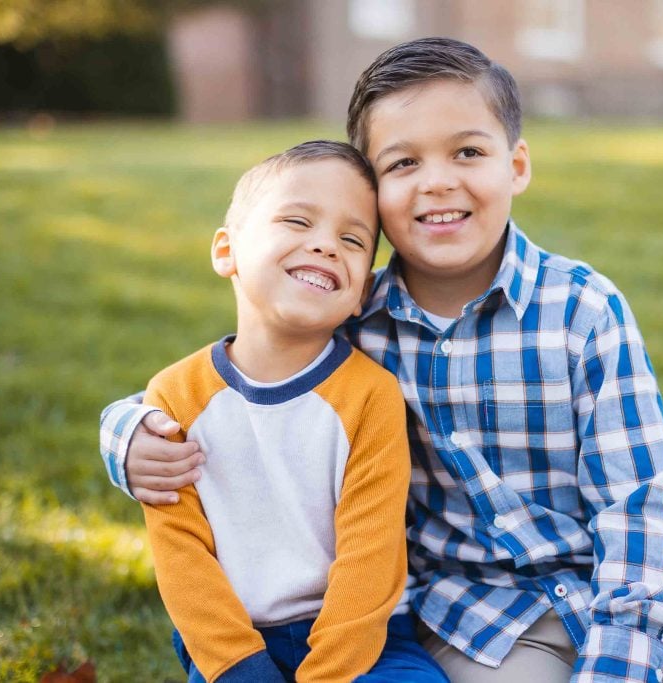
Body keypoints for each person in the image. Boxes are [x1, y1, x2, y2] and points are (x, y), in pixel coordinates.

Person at [102, 39, 663, 682]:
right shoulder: (349, 317)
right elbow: (237, 379)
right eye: (402, 163)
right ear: (373, 195)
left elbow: (639, 508)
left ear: (516, 165)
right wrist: (126, 436)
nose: (438, 181)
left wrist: (619, 662)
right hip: (480, 618)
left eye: (469, 152)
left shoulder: (585, 311)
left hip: (624, 596)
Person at [133, 140, 449, 683]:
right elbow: (181, 559)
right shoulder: (174, 397)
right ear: (226, 250)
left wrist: (327, 674)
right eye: (297, 221)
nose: (326, 245)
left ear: (361, 295)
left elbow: (370, 557)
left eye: (353, 240)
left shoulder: (371, 396)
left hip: (360, 643)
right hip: (230, 646)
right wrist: (240, 668)